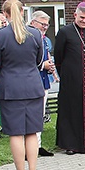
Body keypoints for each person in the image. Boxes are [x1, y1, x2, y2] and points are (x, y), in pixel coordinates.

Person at [0, 0, 45, 170]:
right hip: (32, 86)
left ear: (5, 14)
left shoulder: (0, 35)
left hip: (10, 88)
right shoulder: (35, 34)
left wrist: (7, 76)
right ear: (22, 11)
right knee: (31, 132)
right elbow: (39, 61)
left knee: (15, 133)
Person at [54, 2, 85, 154]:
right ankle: (71, 145)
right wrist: (65, 74)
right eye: (82, 18)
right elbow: (58, 57)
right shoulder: (64, 32)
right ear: (75, 15)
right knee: (71, 109)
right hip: (71, 77)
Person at [29, 10, 56, 157]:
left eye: (47, 24)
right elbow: (25, 61)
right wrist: (42, 65)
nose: (45, 27)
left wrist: (50, 68)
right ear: (33, 22)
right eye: (42, 24)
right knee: (33, 116)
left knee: (40, 115)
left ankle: (37, 145)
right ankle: (30, 148)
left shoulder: (44, 39)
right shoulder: (28, 38)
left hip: (44, 81)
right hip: (32, 81)